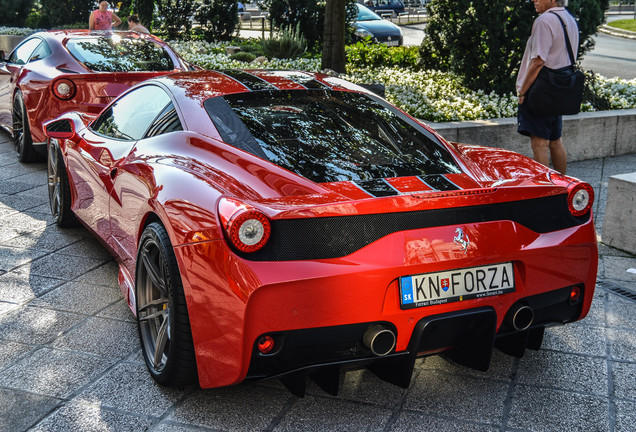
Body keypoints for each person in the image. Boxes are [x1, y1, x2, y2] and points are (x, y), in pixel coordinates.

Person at [516, 0, 579, 175]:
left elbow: (538, 61)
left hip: (541, 89)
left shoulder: (544, 21)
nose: (533, 0)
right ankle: (564, 187)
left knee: (540, 144)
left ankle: (545, 191)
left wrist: (523, 90)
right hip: (559, 88)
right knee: (555, 140)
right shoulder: (569, 19)